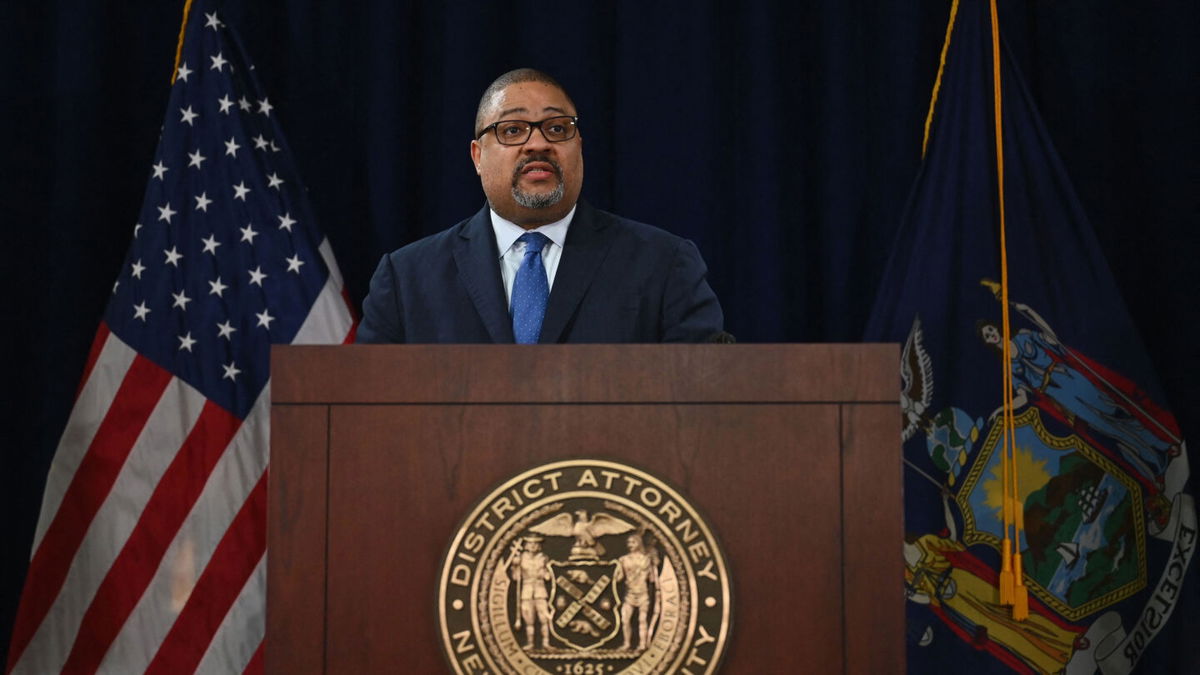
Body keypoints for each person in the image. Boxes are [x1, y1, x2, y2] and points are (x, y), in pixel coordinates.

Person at [356, 68, 724, 344]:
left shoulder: (662, 264)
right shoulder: (406, 279)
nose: (538, 144)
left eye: (557, 128)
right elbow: (368, 410)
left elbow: (705, 397)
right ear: (477, 156)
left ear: (579, 146)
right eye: (513, 130)